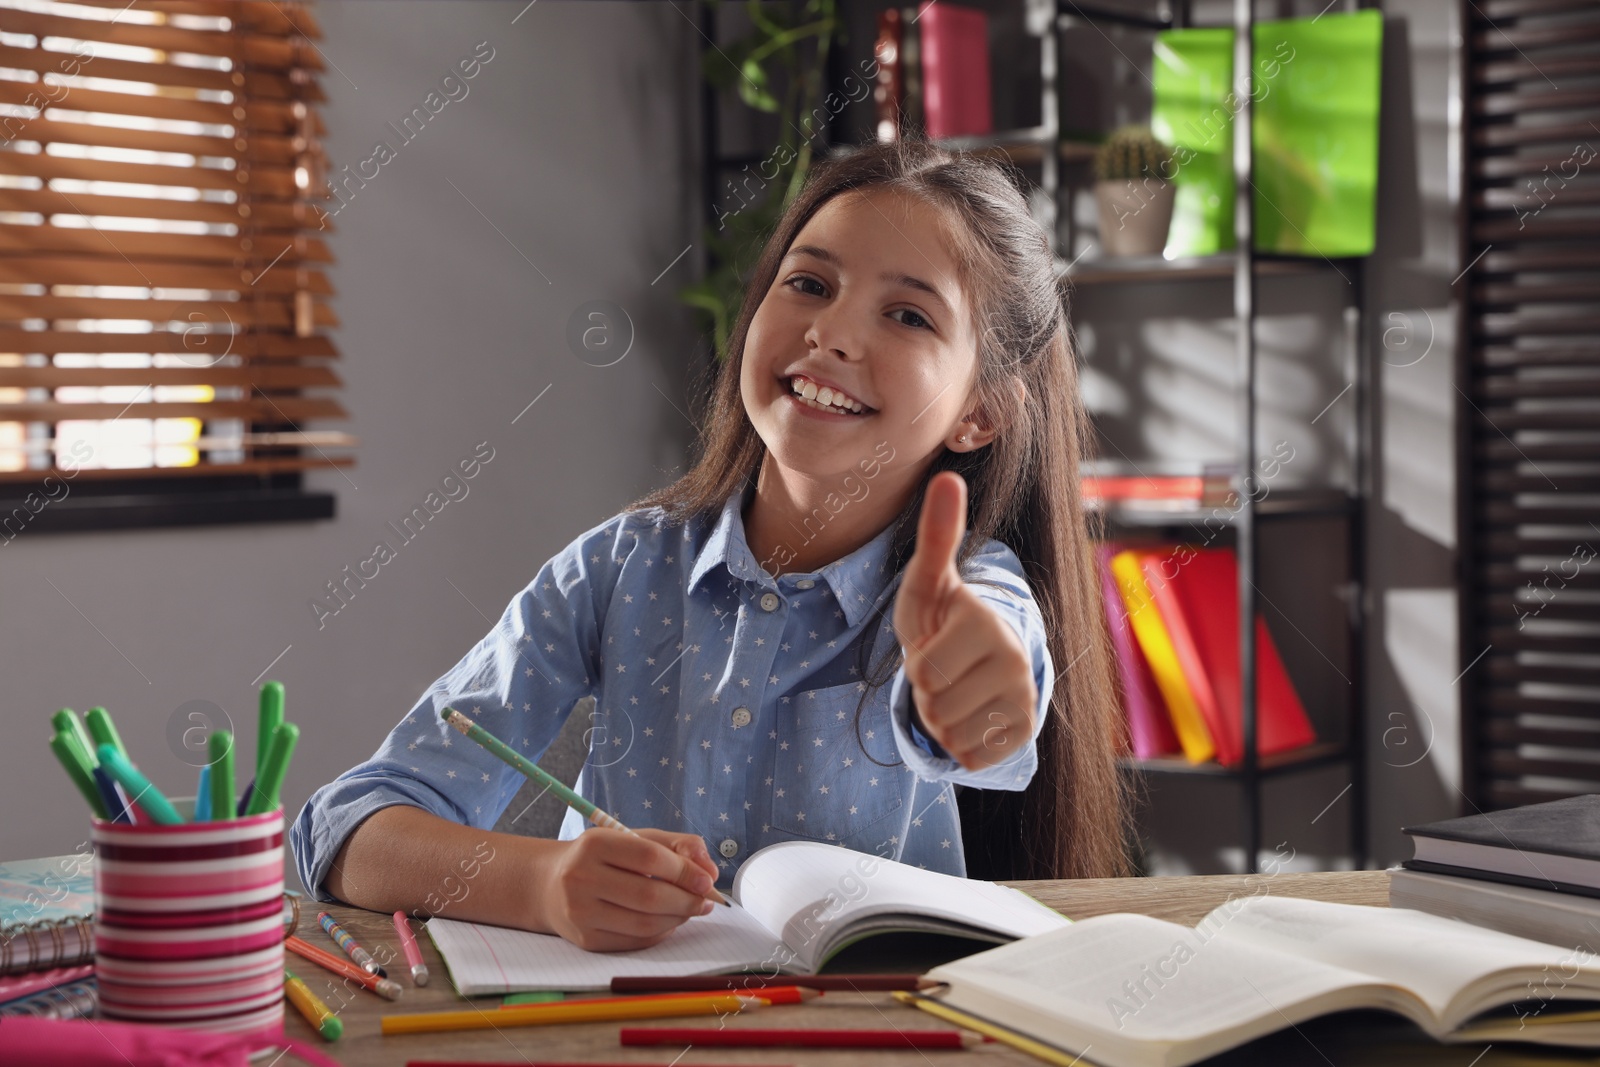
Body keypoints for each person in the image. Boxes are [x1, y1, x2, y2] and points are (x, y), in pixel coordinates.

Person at [290, 137, 1128, 952]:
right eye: (808, 282)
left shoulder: (976, 591)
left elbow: (993, 687)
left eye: (907, 314)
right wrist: (540, 883)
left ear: (981, 411)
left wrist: (976, 707)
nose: (831, 333)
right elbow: (348, 830)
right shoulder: (615, 570)